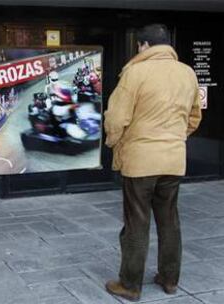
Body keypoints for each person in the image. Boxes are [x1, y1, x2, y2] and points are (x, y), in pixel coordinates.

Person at [104, 24, 202, 302]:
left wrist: (113, 142)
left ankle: (130, 285)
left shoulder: (135, 72)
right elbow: (194, 117)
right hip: (174, 159)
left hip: (140, 160)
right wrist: (173, 138)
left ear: (144, 45)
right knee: (169, 220)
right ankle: (170, 280)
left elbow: (116, 117)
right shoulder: (187, 73)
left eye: (139, 46)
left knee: (137, 222)